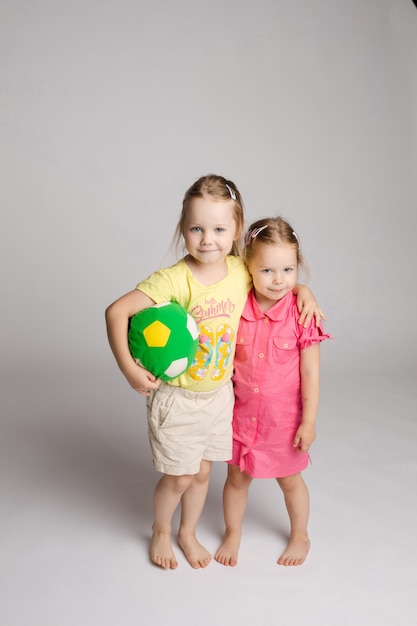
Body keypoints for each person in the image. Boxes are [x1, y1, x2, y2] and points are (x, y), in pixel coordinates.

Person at [105, 176, 322, 570]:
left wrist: (305, 292)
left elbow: (279, 274)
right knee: (180, 477)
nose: (208, 239)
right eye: (196, 228)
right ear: (183, 229)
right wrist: (128, 370)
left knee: (203, 475)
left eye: (220, 229)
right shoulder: (173, 279)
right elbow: (116, 311)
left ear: (237, 230)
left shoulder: (243, 270)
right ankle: (160, 530)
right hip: (182, 398)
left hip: (221, 398)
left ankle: (187, 533)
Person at [215, 216, 330, 568]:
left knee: (290, 479)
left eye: (288, 270)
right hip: (241, 416)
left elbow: (311, 372)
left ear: (298, 268)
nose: (279, 280)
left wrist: (308, 422)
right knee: (236, 477)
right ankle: (233, 532)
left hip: (282, 420)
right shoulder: (236, 305)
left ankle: (300, 535)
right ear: (248, 266)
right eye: (267, 270)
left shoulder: (302, 312)